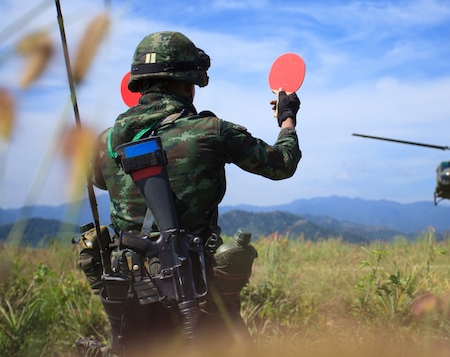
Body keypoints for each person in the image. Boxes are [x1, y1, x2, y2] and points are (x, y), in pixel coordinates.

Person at [78, 31, 301, 356]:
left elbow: (99, 181)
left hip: (131, 293)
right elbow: (282, 164)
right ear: (188, 82)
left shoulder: (106, 142)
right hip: (198, 293)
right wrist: (287, 118)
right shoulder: (211, 132)